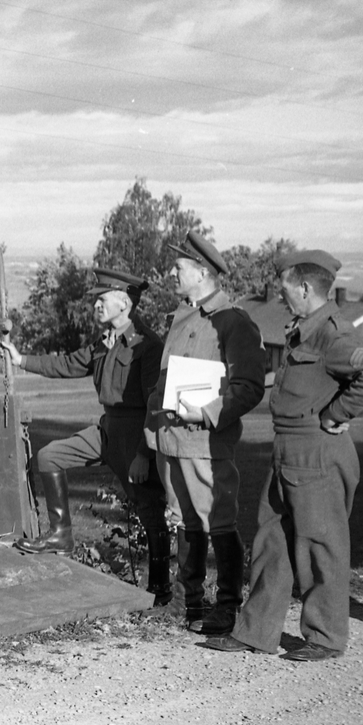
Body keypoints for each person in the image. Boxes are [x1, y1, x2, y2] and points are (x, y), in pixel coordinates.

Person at [204, 250, 363, 661]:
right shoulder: (303, 328)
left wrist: (337, 413)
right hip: (287, 450)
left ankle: (326, 637)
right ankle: (256, 631)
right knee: (270, 541)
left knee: (320, 544)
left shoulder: (331, 333)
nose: (281, 297)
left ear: (304, 288)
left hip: (317, 451)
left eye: (285, 290)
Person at [1, 269, 172, 604]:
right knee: (49, 456)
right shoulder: (102, 344)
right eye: (96, 298)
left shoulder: (147, 346)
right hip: (107, 429)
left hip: (135, 435)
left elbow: (156, 403)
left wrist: (143, 453)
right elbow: (67, 364)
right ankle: (62, 535)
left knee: (150, 511)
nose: (95, 304)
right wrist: (21, 360)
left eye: (102, 298)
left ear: (124, 302)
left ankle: (161, 592)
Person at [144, 230, 265, 633]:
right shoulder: (181, 316)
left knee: (219, 522)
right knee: (184, 521)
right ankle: (188, 602)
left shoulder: (233, 323)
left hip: (205, 444)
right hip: (171, 441)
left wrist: (208, 413)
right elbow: (163, 383)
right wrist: (152, 430)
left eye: (178, 268)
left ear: (201, 272)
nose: (172, 273)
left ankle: (228, 606)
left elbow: (248, 386)